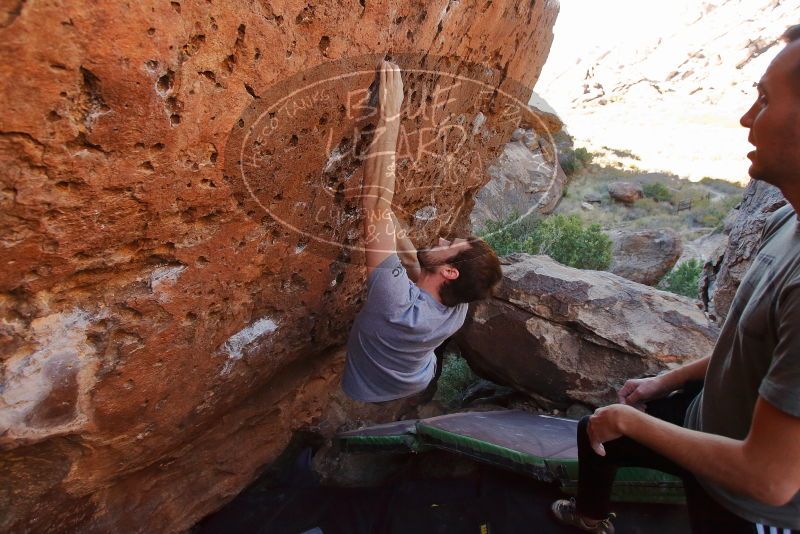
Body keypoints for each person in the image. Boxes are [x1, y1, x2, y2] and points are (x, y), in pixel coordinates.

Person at [551, 25, 800, 534]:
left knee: (613, 426)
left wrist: (631, 420)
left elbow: (770, 477)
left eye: (765, 100)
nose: (747, 117)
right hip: (709, 429)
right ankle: (590, 519)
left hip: (751, 507)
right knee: (596, 429)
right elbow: (753, 341)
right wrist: (668, 380)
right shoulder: (788, 220)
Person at [340, 60, 502, 408]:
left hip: (364, 387)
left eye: (449, 246)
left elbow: (374, 208)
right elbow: (414, 263)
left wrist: (391, 113)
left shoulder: (395, 305)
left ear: (450, 272)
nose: (441, 240)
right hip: (415, 376)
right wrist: (387, 219)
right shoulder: (457, 305)